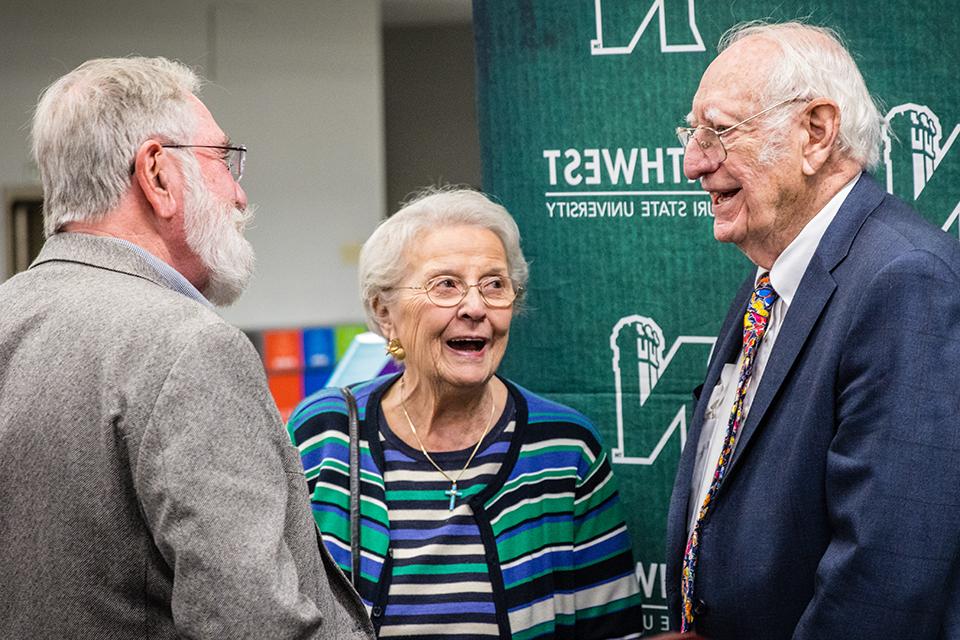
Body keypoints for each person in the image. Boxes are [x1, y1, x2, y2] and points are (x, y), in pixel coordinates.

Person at [0, 57, 373, 639]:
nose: (241, 195)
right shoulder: (187, 347)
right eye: (225, 159)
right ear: (157, 175)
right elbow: (249, 623)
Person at [665, 21, 960, 640]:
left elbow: (887, 575)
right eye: (693, 133)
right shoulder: (773, 274)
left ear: (817, 133)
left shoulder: (905, 280)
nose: (693, 162)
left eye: (718, 131)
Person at [287, 188, 644, 639]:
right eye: (446, 285)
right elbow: (274, 608)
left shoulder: (563, 447)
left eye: (494, 284)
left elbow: (612, 628)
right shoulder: (324, 434)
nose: (475, 308)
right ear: (384, 313)